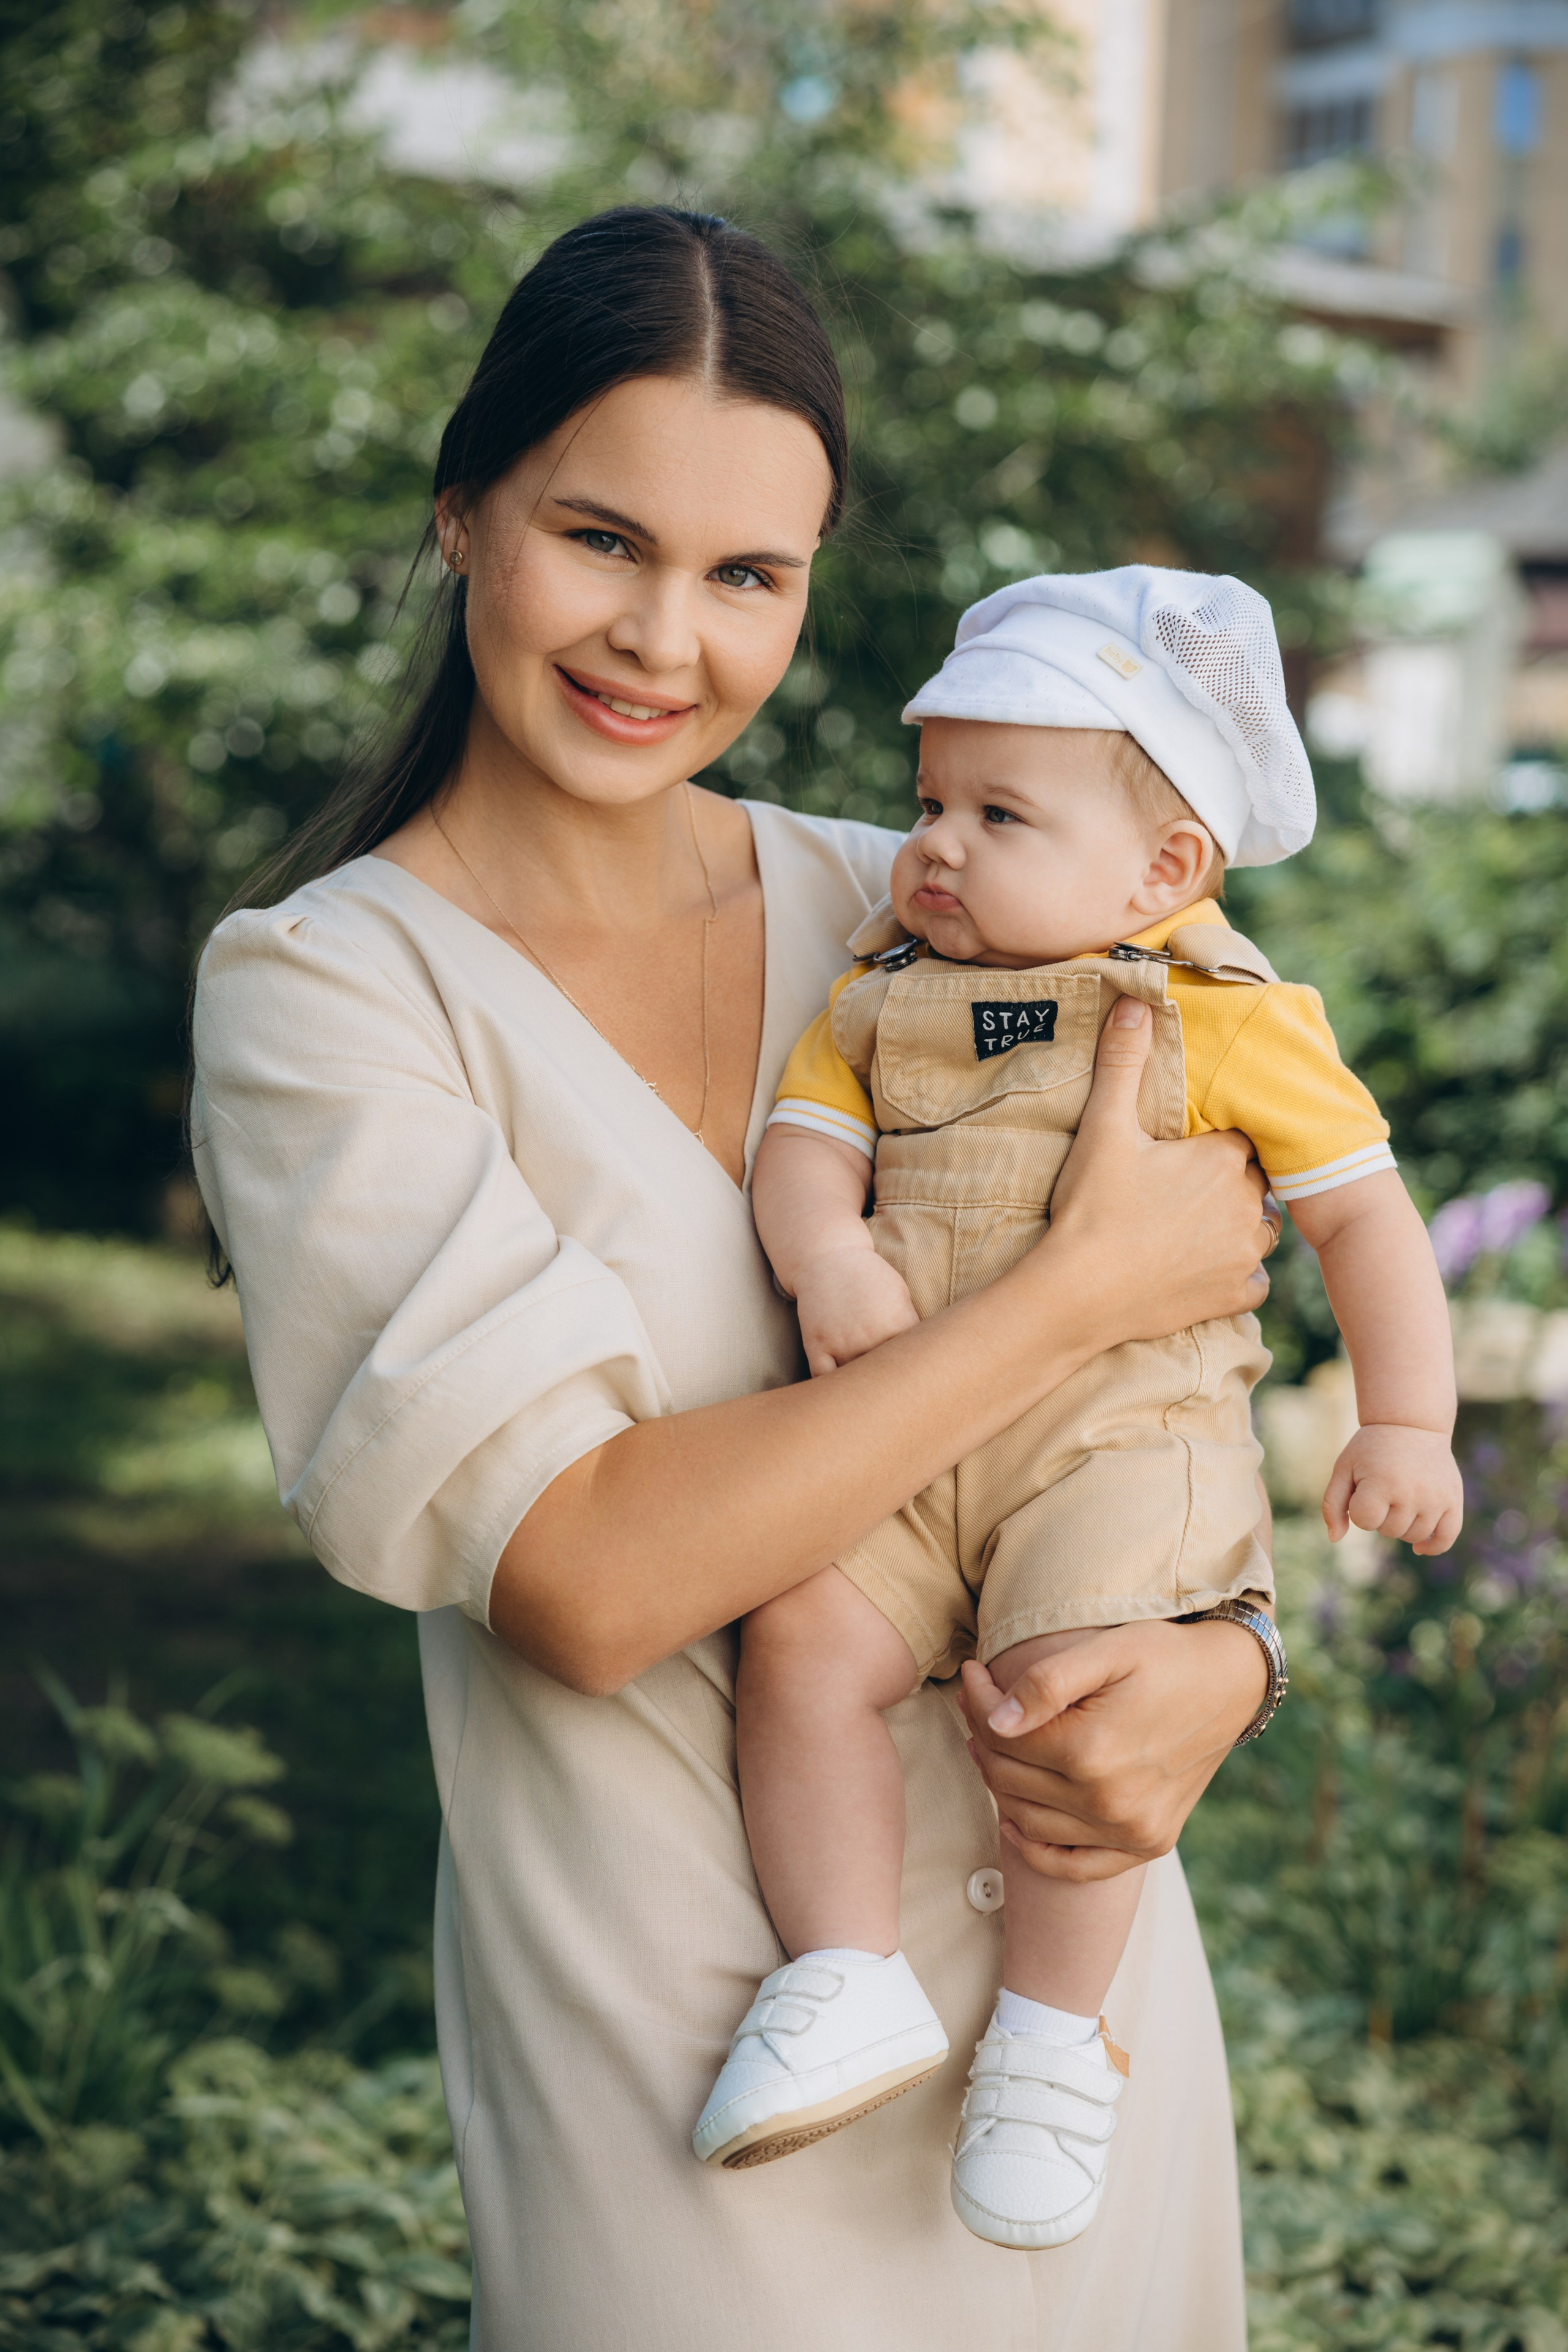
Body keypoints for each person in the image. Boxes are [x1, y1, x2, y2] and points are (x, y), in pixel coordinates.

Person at [190, 205, 1283, 2351]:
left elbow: (1204, 1317)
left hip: (1068, 2044)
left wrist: (1231, 1661)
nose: (662, 639)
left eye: (747, 576)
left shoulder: (920, 898)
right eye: (601, 538)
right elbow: (587, 1576)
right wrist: (1056, 1297)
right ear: (462, 513)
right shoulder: (329, 991)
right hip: (681, 2065)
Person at [693, 566, 1464, 2250]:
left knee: (1071, 1712)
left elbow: (1364, 1220)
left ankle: (1050, 2043)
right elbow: (804, 1146)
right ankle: (843, 1971)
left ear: (1165, 870)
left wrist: (1406, 1421)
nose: (934, 847)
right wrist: (827, 1256)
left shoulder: (1228, 1022)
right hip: (899, 1435)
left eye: (999, 815)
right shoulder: (880, 993)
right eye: (929, 804)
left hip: (1116, 1451)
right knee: (803, 1645)